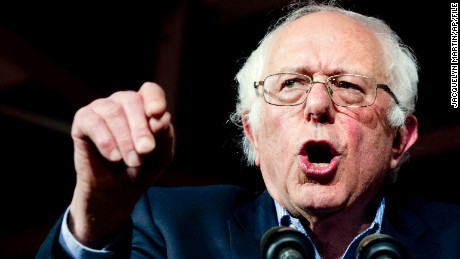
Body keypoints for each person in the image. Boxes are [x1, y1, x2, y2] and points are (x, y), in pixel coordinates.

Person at [36, 1, 460, 258]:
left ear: (400, 139)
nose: (316, 105)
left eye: (347, 86)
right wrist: (96, 219)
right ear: (253, 134)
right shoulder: (167, 228)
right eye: (290, 83)